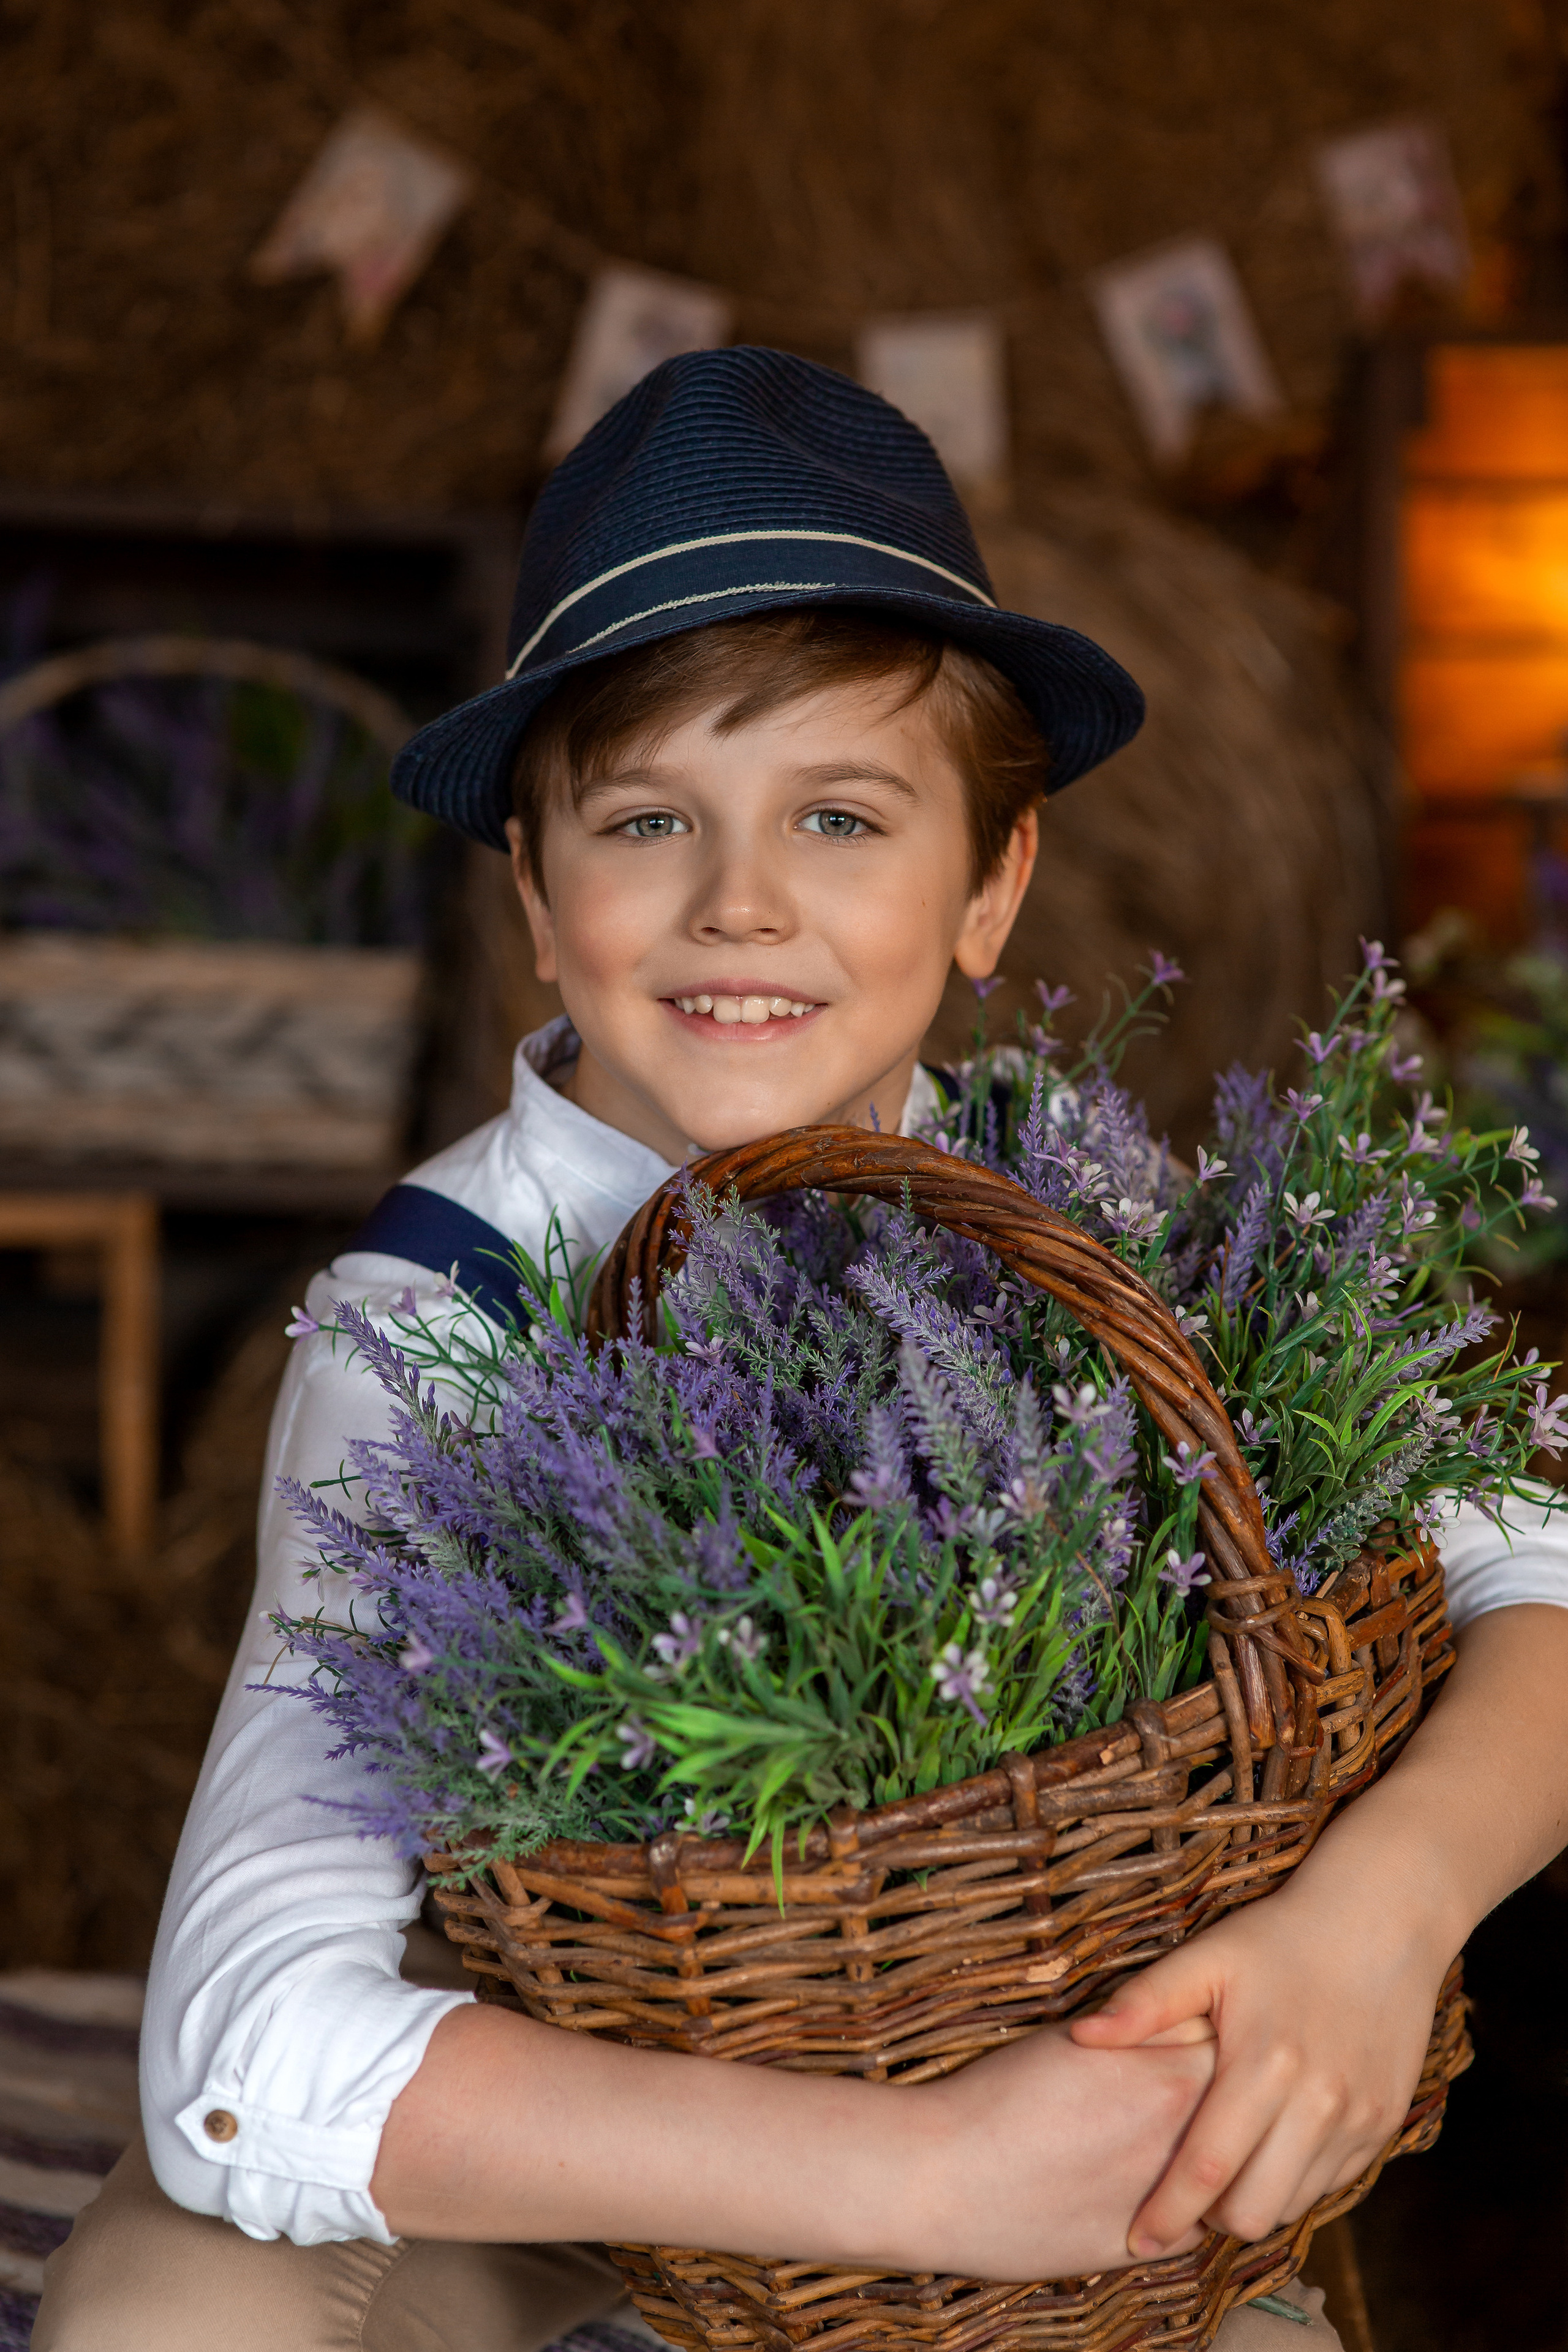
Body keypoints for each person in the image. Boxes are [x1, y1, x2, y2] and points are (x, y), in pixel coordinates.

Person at [36, 351, 1568, 2351]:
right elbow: (242, 2052)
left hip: (1058, 2093)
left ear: (991, 887)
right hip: (591, 2132)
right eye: (648, 819)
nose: (741, 904)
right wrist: (927, 2177)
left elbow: (1537, 1561)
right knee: (165, 2314)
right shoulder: (427, 1333)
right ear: (536, 893)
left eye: (841, 817)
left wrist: (1378, 1922)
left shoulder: (1106, 1223)